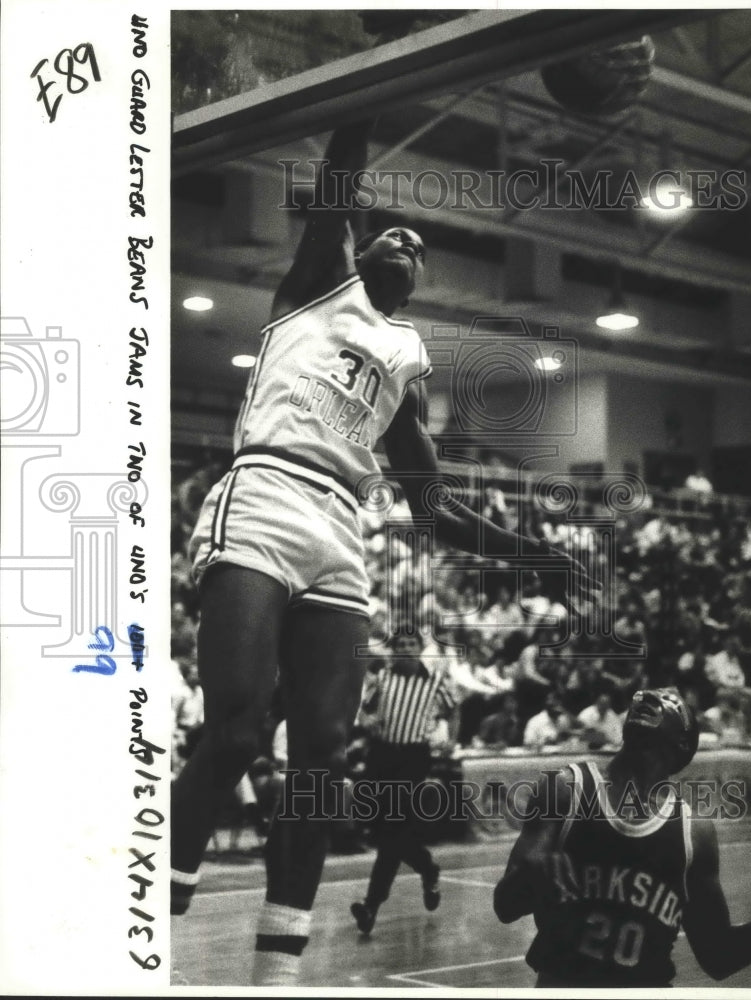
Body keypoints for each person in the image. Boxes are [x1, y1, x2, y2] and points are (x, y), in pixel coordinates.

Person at [170, 118, 597, 986]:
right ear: (358, 247)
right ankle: (153, 897)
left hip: (339, 528)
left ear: (418, 284)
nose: (408, 238)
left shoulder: (404, 358)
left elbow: (431, 506)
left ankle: (277, 967)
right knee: (239, 723)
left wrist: (533, 556)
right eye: (391, 230)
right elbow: (341, 172)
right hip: (264, 493)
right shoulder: (318, 282)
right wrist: (371, 91)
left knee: (322, 752)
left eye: (422, 244)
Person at [494, 687, 751, 987]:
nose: (654, 698)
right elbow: (505, 907)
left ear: (683, 743)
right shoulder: (565, 790)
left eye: (671, 701)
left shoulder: (693, 832)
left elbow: (719, 957)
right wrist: (530, 875)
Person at [350, 631, 457, 934]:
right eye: (401, 645)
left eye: (411, 645)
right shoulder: (383, 678)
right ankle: (427, 868)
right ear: (394, 651)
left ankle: (370, 906)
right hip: (382, 756)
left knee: (391, 835)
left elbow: (454, 708)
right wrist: (367, 721)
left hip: (412, 758)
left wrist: (451, 740)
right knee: (386, 833)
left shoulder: (435, 680)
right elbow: (365, 710)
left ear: (421, 649)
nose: (406, 650)